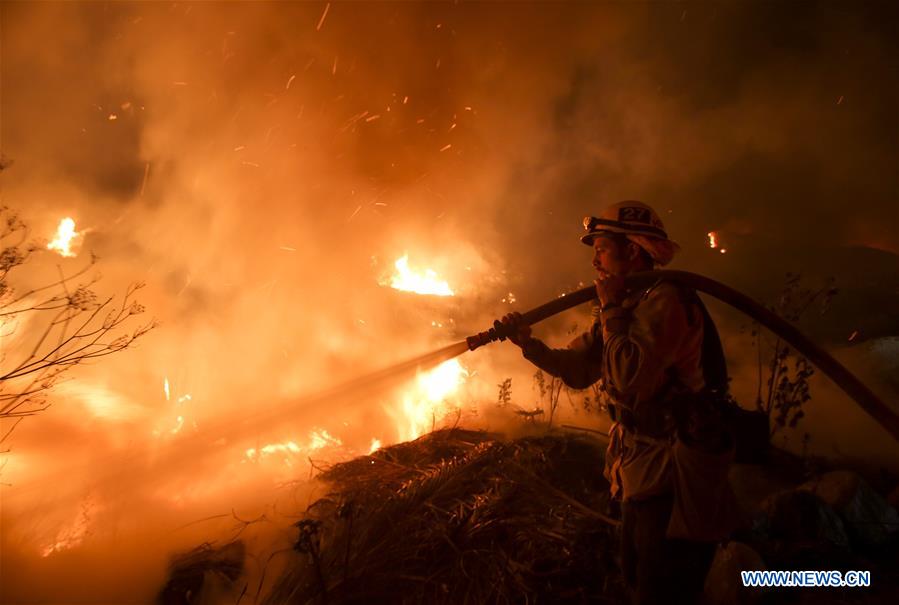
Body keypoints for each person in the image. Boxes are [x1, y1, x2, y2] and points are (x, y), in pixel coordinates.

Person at [501, 200, 738, 605]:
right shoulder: (631, 302)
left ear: (632, 251)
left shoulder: (666, 302)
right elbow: (578, 369)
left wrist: (610, 309)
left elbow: (629, 379)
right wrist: (528, 343)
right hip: (636, 465)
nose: (595, 260)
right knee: (633, 571)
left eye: (602, 248)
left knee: (661, 583)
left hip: (671, 471)